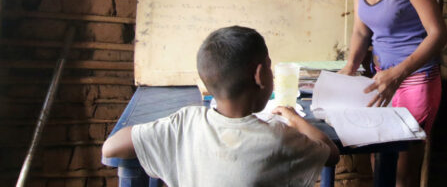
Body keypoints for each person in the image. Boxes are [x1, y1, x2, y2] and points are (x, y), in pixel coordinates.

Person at [316, 0, 447, 187]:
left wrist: (398, 73)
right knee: (378, 161)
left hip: (416, 80)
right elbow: (363, 31)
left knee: (400, 172)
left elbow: (439, 33)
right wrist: (349, 68)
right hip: (382, 79)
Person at [102, 26, 339, 187]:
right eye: (269, 67)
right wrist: (293, 117)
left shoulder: (184, 123)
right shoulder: (278, 138)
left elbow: (111, 147)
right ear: (260, 75)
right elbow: (330, 153)